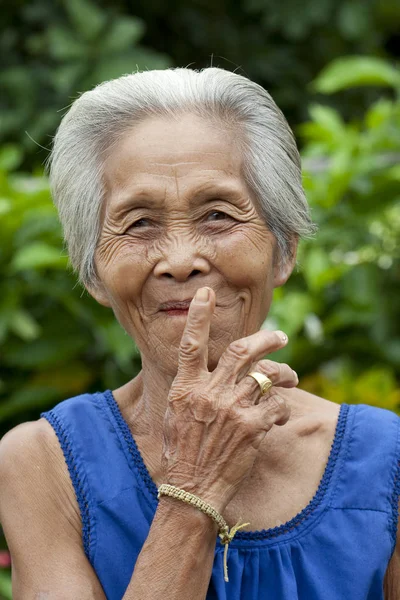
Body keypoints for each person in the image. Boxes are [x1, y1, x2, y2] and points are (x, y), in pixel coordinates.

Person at [0, 66, 399, 600]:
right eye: (139, 223)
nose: (181, 261)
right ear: (93, 272)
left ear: (283, 250)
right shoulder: (44, 463)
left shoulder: (387, 459)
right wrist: (194, 486)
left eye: (216, 215)